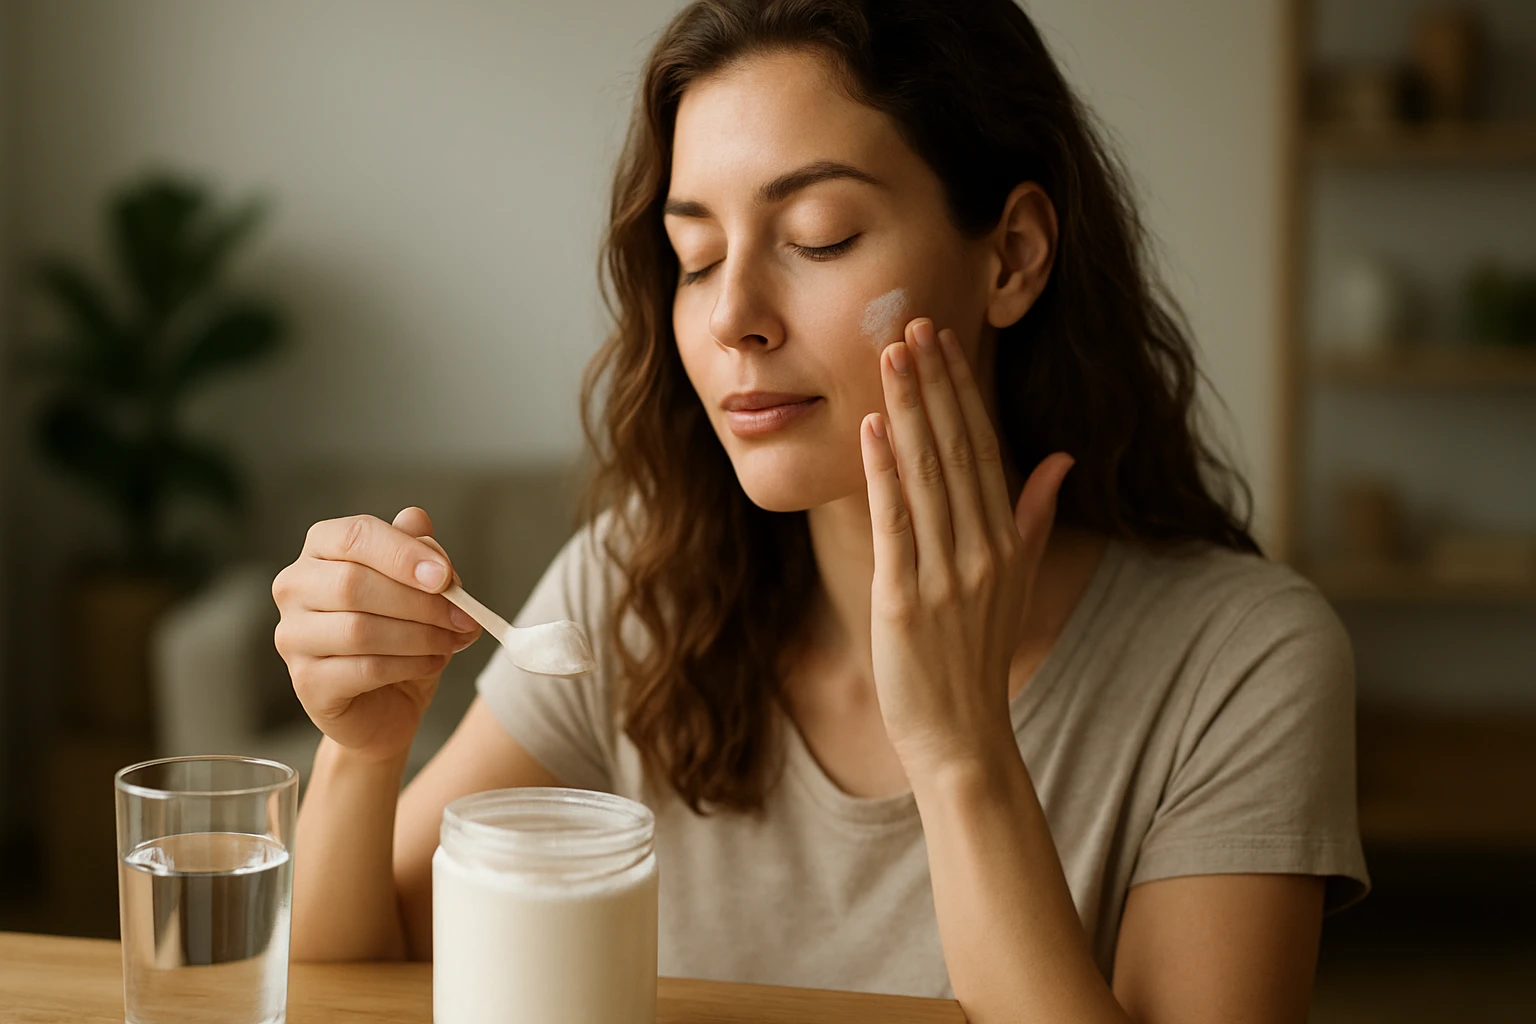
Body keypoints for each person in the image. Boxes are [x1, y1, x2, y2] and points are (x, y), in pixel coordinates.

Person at [272, 1, 1370, 1019]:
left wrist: (961, 751)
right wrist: (362, 754)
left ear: (1014, 256)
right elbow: (350, 981)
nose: (733, 316)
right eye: (696, 255)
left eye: (822, 236)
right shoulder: (637, 584)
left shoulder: (1243, 663)